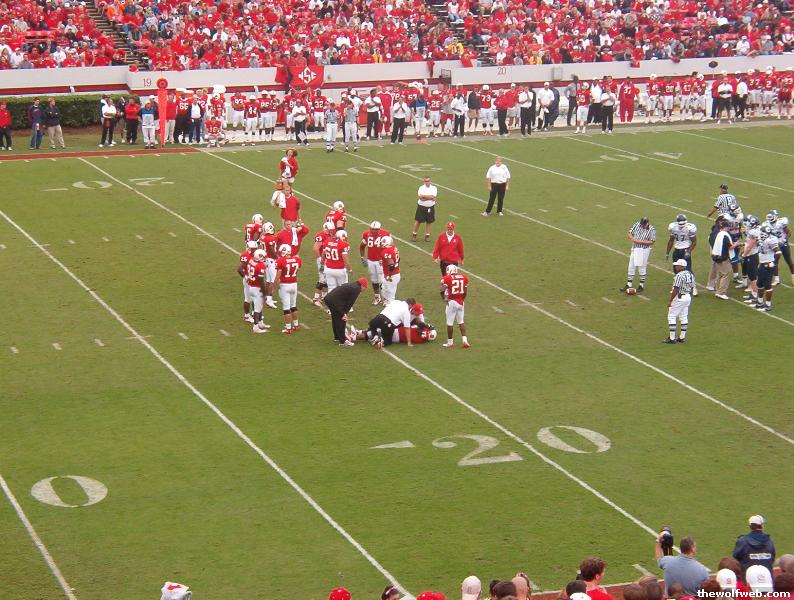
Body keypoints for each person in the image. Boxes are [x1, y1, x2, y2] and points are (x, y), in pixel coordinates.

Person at [324, 278, 368, 346]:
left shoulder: (353, 285)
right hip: (334, 301)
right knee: (342, 319)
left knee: (335, 317)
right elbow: (350, 303)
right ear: (362, 285)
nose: (364, 290)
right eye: (365, 288)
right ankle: (343, 341)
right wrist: (344, 313)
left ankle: (337, 337)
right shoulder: (357, 289)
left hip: (329, 298)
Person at [665, 214, 698, 295]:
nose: (681, 226)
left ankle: (693, 287)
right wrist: (667, 253)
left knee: (688, 270)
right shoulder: (673, 227)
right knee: (676, 270)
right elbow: (671, 240)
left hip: (685, 250)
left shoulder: (690, 228)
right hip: (677, 250)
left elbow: (694, 242)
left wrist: (688, 251)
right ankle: (677, 287)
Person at [664, 259, 695, 344]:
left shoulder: (679, 275)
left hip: (680, 297)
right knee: (684, 316)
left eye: (677, 265)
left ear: (682, 266)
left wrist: (670, 300)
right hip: (687, 296)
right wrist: (690, 296)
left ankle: (672, 338)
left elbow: (676, 289)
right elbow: (692, 287)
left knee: (672, 316)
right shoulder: (690, 274)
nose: (676, 267)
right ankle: (682, 337)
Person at [360, 220, 390, 305]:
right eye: (372, 229)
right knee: (374, 280)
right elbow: (362, 246)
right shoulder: (366, 234)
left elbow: (390, 248)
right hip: (371, 260)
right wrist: (362, 257)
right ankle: (377, 297)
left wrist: (386, 259)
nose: (373, 231)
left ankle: (386, 298)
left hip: (381, 261)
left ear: (379, 229)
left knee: (382, 281)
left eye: (375, 229)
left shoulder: (385, 234)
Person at [274, 244, 302, 334]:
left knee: (286, 308)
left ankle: (288, 328)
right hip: (294, 284)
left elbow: (278, 276)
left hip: (285, 285)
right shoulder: (297, 259)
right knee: (293, 306)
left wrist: (274, 287)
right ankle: (296, 325)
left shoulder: (280, 261)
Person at [623, 217, 656, 292]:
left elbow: (652, 241)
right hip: (635, 248)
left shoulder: (652, 229)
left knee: (642, 267)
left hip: (644, 250)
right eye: (642, 224)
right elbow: (630, 233)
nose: (642, 225)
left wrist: (641, 242)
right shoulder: (637, 225)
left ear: (647, 223)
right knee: (631, 266)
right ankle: (629, 284)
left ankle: (641, 285)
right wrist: (632, 239)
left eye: (644, 224)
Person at [707, 217, 737, 300]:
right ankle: (721, 292)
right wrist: (737, 244)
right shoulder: (725, 235)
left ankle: (718, 290)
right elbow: (730, 247)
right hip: (724, 258)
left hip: (717, 257)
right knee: (725, 275)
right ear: (725, 227)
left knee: (720, 275)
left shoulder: (718, 234)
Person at [440, 264, 469, 348]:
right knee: (461, 321)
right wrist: (462, 299)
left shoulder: (447, 278)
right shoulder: (464, 277)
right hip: (461, 302)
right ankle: (465, 340)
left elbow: (441, 290)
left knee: (450, 323)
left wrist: (444, 298)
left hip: (451, 302)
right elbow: (465, 292)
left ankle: (450, 342)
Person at [246, 249, 272, 334]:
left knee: (258, 306)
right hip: (257, 288)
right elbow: (261, 281)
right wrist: (264, 293)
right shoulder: (260, 266)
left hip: (251, 287)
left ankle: (260, 323)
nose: (264, 259)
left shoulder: (251, 261)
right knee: (257, 309)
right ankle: (255, 327)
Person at [413, 176, 438, 241]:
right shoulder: (421, 188)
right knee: (418, 221)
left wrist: (424, 196)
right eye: (426, 181)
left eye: (428, 181)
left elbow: (433, 197)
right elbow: (421, 198)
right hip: (421, 207)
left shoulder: (434, 188)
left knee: (429, 222)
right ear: (424, 182)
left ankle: (427, 236)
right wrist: (430, 198)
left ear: (430, 181)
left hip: (430, 207)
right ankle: (414, 235)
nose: (427, 182)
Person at [381, 236, 400, 304]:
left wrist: (389, 276)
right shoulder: (394, 248)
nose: (381, 244)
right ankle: (386, 303)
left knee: (391, 296)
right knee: (384, 288)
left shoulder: (386, 251)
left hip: (392, 275)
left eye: (383, 242)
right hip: (395, 273)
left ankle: (390, 306)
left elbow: (391, 265)